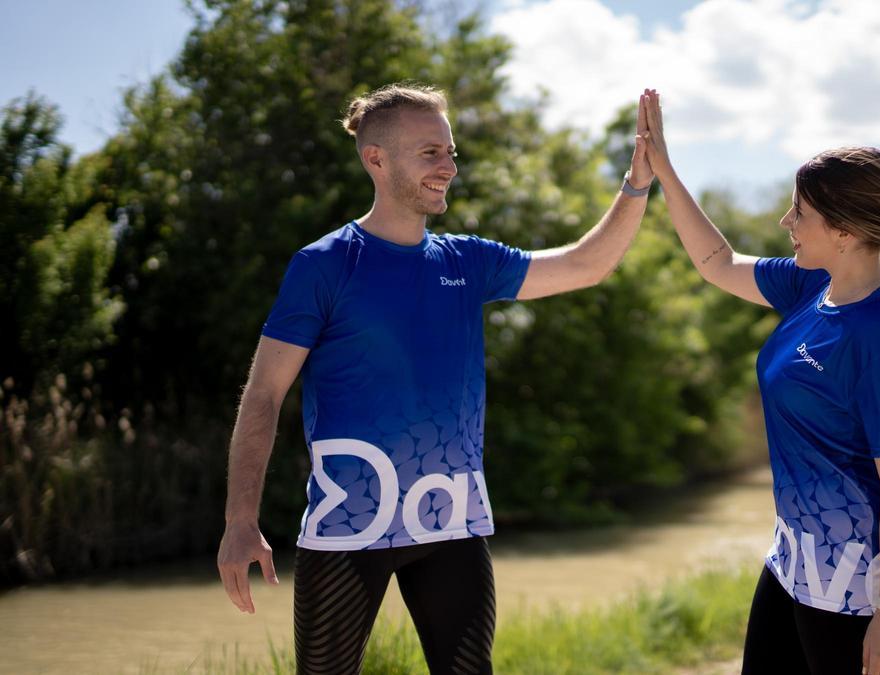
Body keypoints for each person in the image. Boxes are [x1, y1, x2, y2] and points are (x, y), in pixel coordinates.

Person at [216, 83, 653, 674]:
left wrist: (636, 183)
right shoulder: (323, 265)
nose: (449, 166)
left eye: (450, 151)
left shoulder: (466, 261)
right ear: (377, 159)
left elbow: (586, 263)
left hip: (452, 524)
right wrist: (241, 521)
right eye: (430, 153)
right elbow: (264, 395)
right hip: (349, 531)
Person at [638, 89, 880, 675]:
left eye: (799, 213)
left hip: (849, 584)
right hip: (791, 558)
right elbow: (717, 265)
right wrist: (665, 172)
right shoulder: (816, 285)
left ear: (845, 232)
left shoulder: (878, 337)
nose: (786, 223)